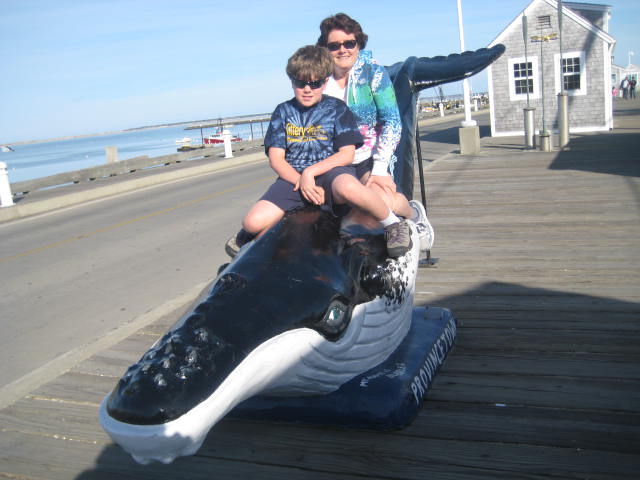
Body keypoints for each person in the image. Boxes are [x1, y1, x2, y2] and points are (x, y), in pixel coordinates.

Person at [225, 45, 412, 259]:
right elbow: (276, 159)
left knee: (351, 188)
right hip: (293, 178)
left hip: (331, 172)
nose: (307, 89)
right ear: (292, 81)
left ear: (324, 82)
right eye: (300, 83)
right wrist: (302, 181)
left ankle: (393, 224)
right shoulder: (283, 112)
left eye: (314, 84)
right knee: (251, 222)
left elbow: (346, 155)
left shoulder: (337, 109)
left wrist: (310, 173)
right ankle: (254, 240)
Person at [317, 12, 434, 251]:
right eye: (334, 45)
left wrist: (380, 169)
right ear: (325, 49)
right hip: (336, 160)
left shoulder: (374, 73)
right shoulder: (319, 79)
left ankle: (413, 214)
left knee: (379, 202)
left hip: (368, 157)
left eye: (349, 43)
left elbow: (391, 121)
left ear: (359, 44)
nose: (342, 50)